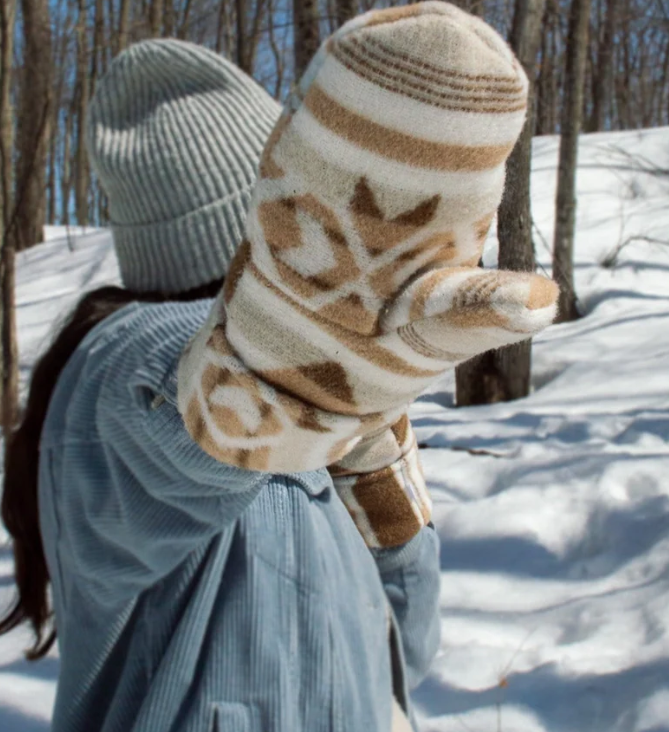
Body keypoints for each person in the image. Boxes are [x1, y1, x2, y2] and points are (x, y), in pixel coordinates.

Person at [1, 3, 559, 731]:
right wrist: (276, 375)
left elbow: (403, 652)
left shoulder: (339, 396)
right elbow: (181, 417)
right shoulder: (115, 368)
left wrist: (376, 463)